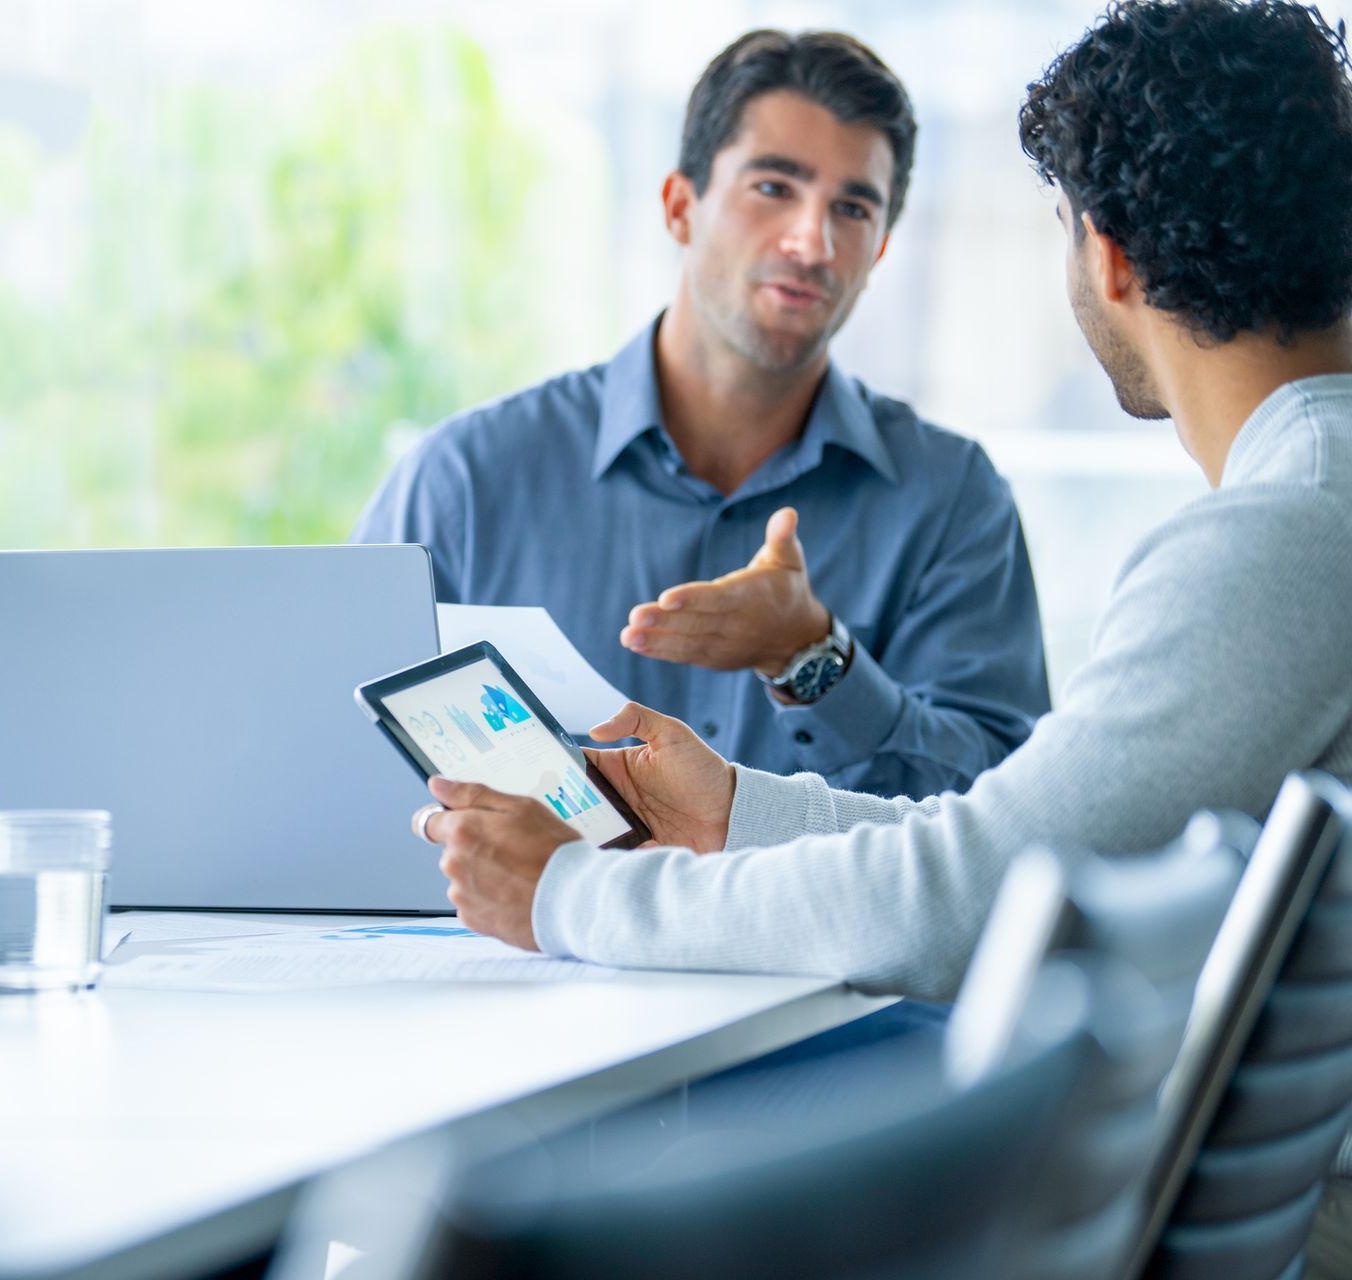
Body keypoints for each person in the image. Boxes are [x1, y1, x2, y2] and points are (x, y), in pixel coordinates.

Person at [412, 0, 1352, 1003]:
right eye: (772, 187)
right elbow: (1015, 837)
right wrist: (729, 811)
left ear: (1108, 254)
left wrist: (572, 891)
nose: (810, 241)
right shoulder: (1307, 503)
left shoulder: (1278, 535)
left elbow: (991, 891)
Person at [352, 30, 1051, 802]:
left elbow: (1004, 811)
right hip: (513, 927)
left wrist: (813, 658)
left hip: (813, 927)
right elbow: (342, 763)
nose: (811, 242)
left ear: (880, 249)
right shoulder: (464, 483)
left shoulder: (953, 501)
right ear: (680, 207)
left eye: (852, 208)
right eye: (774, 187)